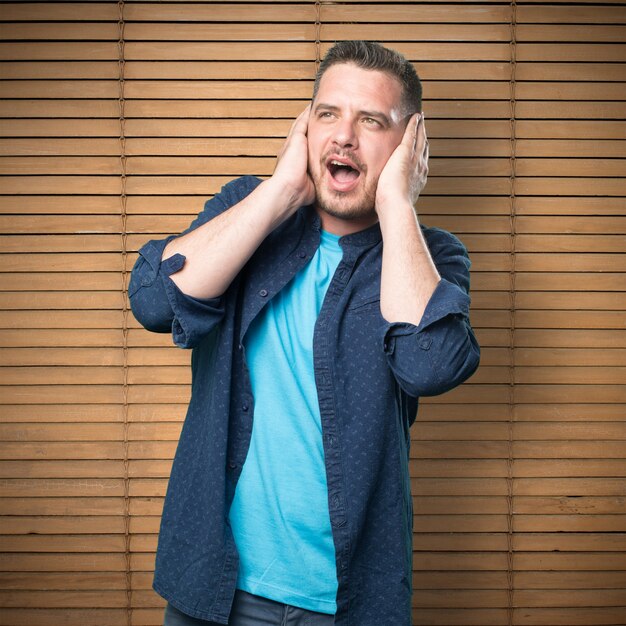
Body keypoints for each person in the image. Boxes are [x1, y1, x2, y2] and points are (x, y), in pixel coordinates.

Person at [129, 41, 480, 626]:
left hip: (346, 602)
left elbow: (432, 364)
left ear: (410, 144)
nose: (344, 137)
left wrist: (397, 204)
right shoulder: (247, 209)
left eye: (371, 121)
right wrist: (281, 191)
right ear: (304, 127)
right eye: (327, 114)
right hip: (214, 589)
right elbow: (155, 300)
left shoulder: (432, 255)